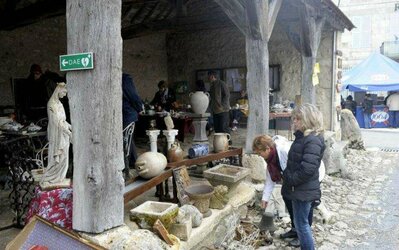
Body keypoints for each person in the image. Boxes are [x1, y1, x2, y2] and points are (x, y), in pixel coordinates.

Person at [253, 134, 324, 247]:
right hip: (293, 178)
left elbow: (303, 167)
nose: (259, 155)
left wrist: (296, 186)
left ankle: (303, 236)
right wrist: (265, 198)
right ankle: (295, 229)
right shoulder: (271, 159)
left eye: (259, 152)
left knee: (305, 206)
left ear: (267, 148)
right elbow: (270, 180)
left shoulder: (284, 151)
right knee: (286, 195)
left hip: (310, 177)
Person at [282, 103, 325, 250]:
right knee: (301, 223)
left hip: (302, 189)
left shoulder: (312, 140)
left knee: (302, 224)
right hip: (300, 188)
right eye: (294, 118)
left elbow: (307, 169)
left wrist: (291, 179)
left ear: (308, 119)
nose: (295, 122)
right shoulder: (303, 137)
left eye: (298, 119)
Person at [40, 82, 72, 185]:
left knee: (64, 157)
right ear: (59, 90)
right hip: (57, 134)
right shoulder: (52, 104)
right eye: (64, 92)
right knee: (59, 156)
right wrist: (69, 132)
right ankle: (53, 176)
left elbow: (63, 120)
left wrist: (71, 128)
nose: (65, 94)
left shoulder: (60, 103)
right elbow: (57, 122)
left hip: (63, 134)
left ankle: (60, 177)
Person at [122, 73, 143, 171]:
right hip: (124, 114)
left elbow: (133, 96)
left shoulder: (125, 78)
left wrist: (139, 108)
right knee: (128, 139)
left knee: (127, 140)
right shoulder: (123, 78)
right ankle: (133, 162)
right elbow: (133, 96)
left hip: (127, 114)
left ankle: (129, 165)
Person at [208, 70, 230, 135]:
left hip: (223, 110)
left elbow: (227, 95)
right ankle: (219, 144)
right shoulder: (212, 86)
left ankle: (228, 143)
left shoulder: (222, 83)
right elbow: (212, 98)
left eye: (208, 76)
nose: (208, 78)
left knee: (223, 128)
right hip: (215, 110)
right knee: (217, 129)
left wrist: (222, 106)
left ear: (212, 76)